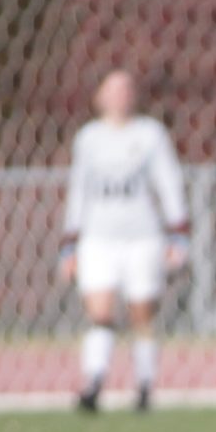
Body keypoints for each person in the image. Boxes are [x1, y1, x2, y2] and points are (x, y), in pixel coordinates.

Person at [63, 69, 188, 412]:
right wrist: (70, 243)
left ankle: (145, 386)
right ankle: (93, 384)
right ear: (99, 97)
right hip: (99, 237)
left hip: (142, 237)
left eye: (125, 89)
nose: (119, 96)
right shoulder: (88, 138)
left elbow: (168, 182)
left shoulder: (149, 134)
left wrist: (178, 233)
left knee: (141, 312)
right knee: (99, 311)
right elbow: (79, 190)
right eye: (112, 89)